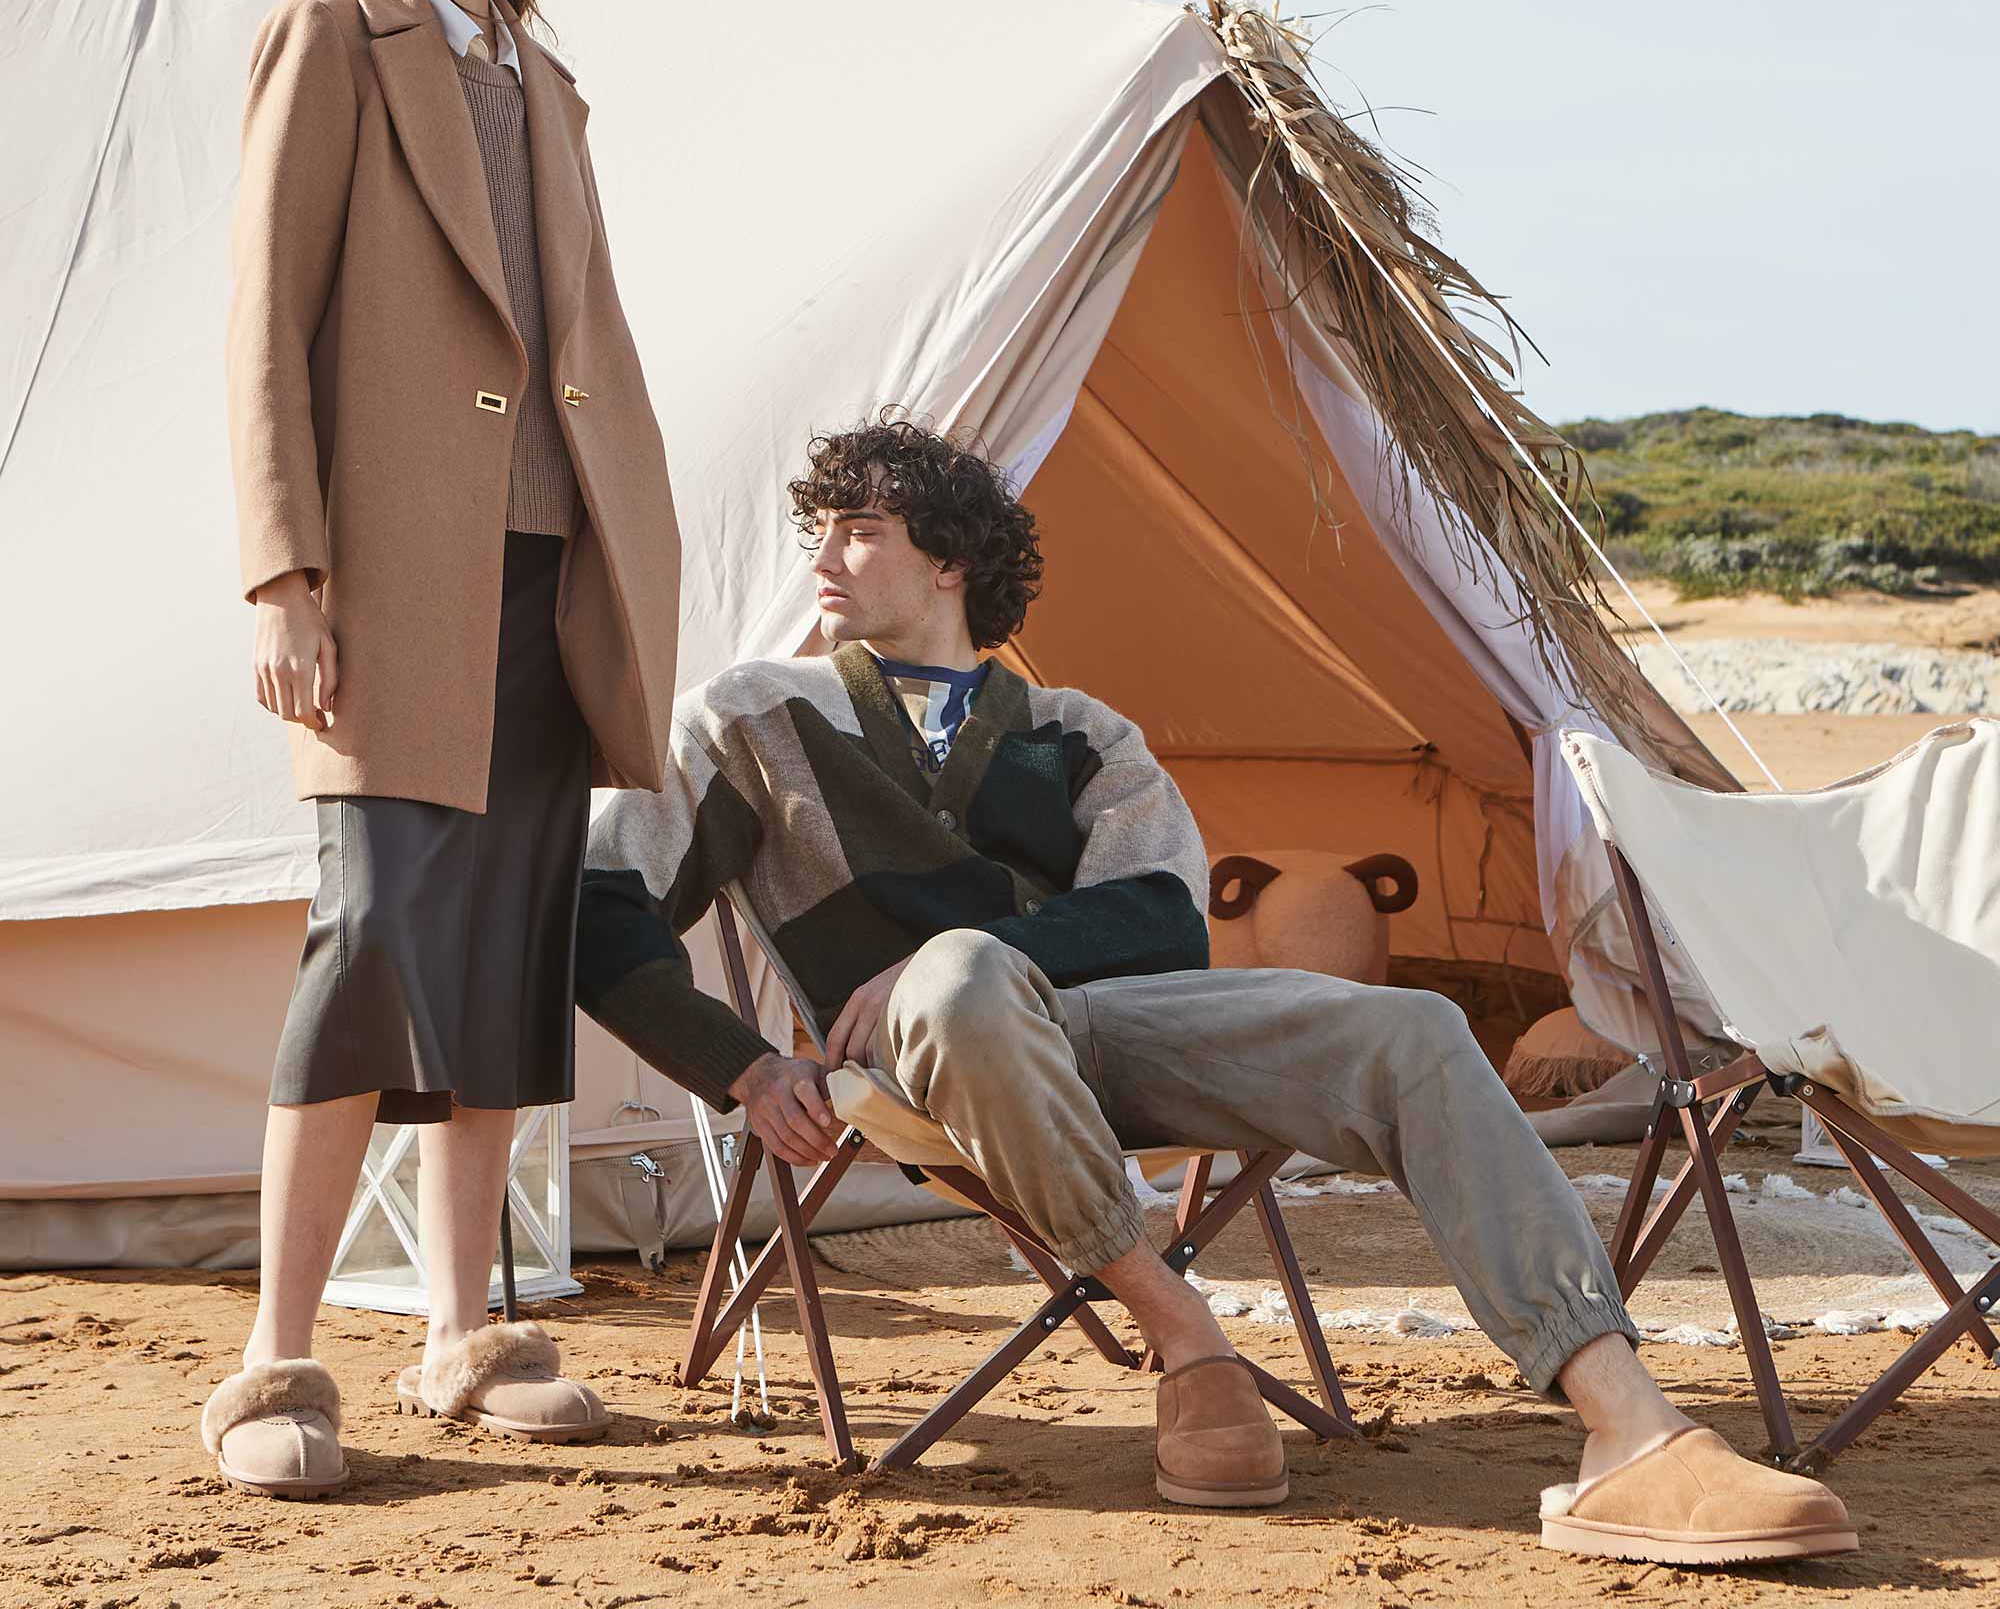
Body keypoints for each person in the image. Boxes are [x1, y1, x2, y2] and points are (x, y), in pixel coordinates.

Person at [575, 414, 1856, 1565]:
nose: (823, 556)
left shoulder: (1079, 729)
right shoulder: (751, 714)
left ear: (950, 560)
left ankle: (1623, 1427)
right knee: (966, 974)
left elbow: (1159, 916)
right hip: (913, 1057)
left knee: (1413, 1026)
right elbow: (595, 901)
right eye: (819, 530)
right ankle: (1187, 1341)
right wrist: (746, 1064)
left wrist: (987, 953)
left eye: (858, 529)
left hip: (1103, 1032)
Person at [204, 0, 681, 1498]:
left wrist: (637, 546)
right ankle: (276, 1360)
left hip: (550, 576)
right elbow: (265, 317)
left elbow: (585, 346)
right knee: (371, 938)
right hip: (386, 581)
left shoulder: (549, 87)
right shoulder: (333, 41)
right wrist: (287, 573)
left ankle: (465, 1332)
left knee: (502, 945)